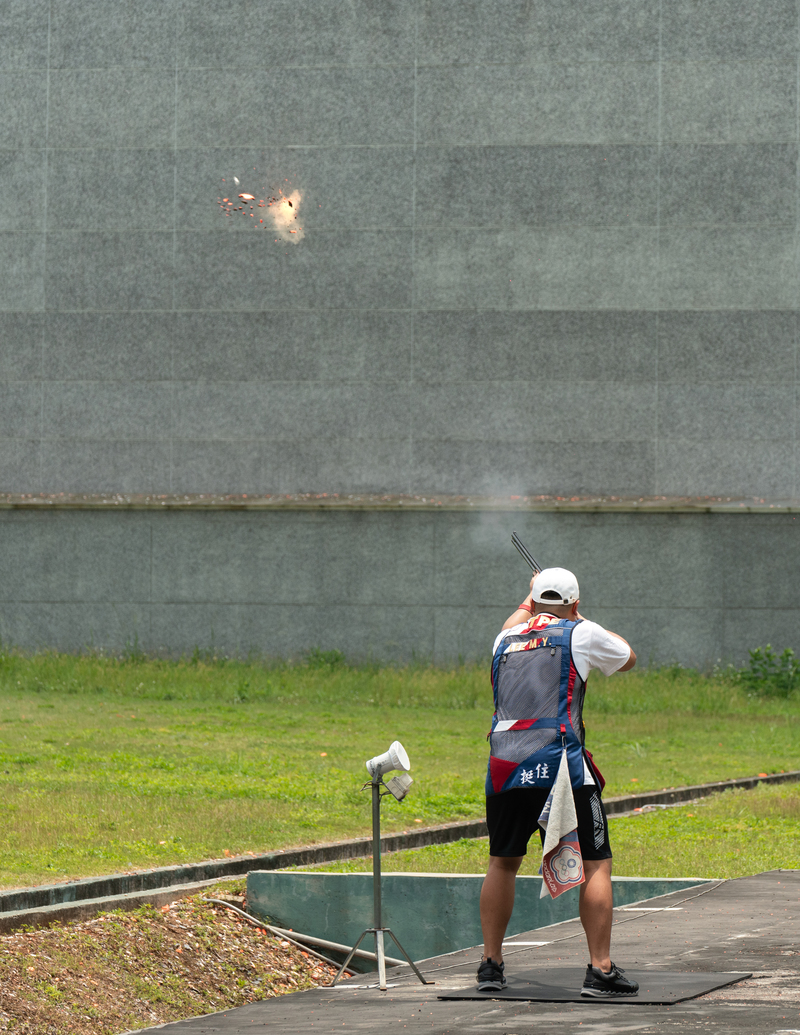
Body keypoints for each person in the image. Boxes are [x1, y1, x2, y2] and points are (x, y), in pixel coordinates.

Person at [476, 566, 639, 998]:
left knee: (502, 861)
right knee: (595, 864)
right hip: (561, 768)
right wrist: (580, 620)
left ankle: (490, 966)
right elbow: (627, 657)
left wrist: (530, 598)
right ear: (575, 604)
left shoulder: (503, 639)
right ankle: (600, 969)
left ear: (532, 601)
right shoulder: (579, 632)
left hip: (506, 766)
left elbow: (518, 621)